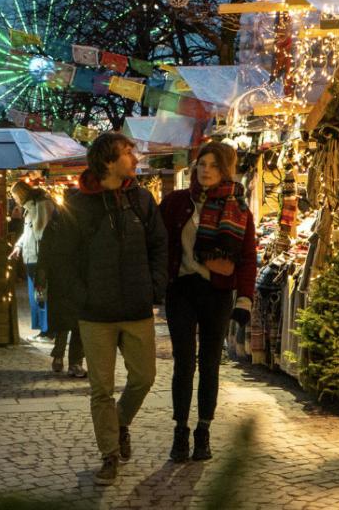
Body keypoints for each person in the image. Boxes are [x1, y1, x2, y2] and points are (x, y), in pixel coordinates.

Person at [44, 132, 168, 485]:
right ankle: (109, 454)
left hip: (136, 307)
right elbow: (62, 259)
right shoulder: (78, 204)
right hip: (95, 313)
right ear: (109, 161)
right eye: (128, 151)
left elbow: (159, 246)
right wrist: (81, 297)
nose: (134, 156)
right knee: (101, 389)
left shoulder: (141, 200)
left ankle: (121, 422)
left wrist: (154, 287)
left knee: (144, 378)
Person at [160, 142, 257, 463]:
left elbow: (247, 259)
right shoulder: (175, 202)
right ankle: (180, 431)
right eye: (202, 164)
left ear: (225, 170)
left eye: (214, 165)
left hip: (217, 293)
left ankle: (203, 431)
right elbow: (159, 245)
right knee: (184, 362)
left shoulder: (239, 208)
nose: (205, 170)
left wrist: (244, 298)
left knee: (210, 363)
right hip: (182, 292)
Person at [37, 205, 87, 379]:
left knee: (72, 322)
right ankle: (68, 360)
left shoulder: (56, 225)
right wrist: (41, 279)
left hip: (73, 280)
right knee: (69, 322)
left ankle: (66, 360)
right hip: (66, 280)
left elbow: (43, 254)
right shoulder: (57, 226)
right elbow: (44, 254)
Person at [8, 181, 56, 340]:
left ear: (21, 193)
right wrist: (19, 246)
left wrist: (42, 257)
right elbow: (29, 233)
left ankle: (48, 330)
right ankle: (43, 329)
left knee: (41, 294)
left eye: (15, 196)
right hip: (31, 257)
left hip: (39, 258)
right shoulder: (30, 207)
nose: (14, 200)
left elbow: (42, 233)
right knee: (36, 295)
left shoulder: (41, 205)